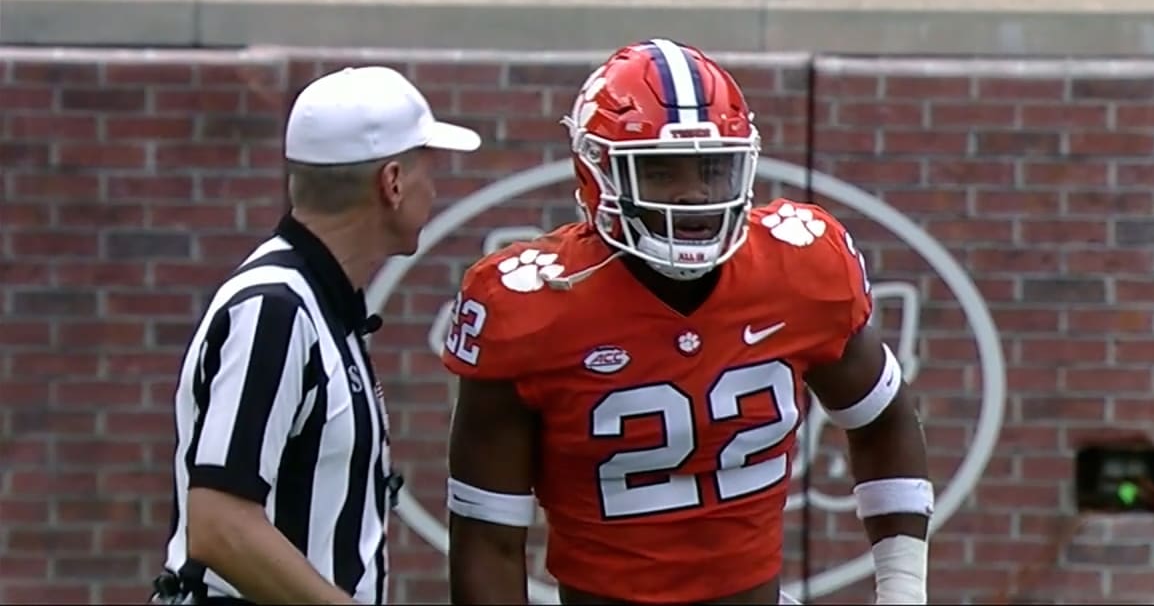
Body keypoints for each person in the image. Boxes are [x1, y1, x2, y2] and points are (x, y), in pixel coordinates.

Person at [440, 39, 932, 604]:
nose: (693, 196)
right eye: (659, 172)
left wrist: (902, 589)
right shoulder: (529, 305)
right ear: (596, 172)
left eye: (712, 169)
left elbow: (883, 418)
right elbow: (486, 538)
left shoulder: (801, 266)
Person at [155, 66, 481, 605]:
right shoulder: (275, 310)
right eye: (429, 169)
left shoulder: (317, 302)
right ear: (392, 182)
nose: (436, 187)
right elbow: (219, 523)